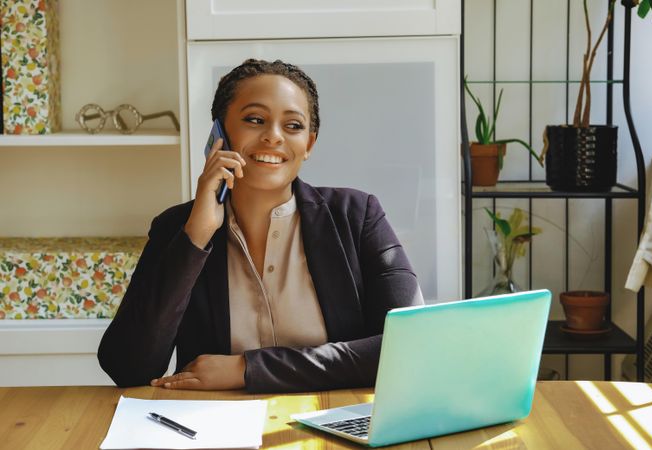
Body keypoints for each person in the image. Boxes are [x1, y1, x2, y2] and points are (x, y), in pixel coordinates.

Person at [97, 59, 423, 393]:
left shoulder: (357, 216)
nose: (273, 137)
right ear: (219, 133)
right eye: (255, 120)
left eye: (293, 126)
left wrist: (247, 369)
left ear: (309, 144)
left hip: (333, 422)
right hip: (213, 427)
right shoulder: (177, 228)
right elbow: (127, 366)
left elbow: (411, 346)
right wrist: (196, 236)